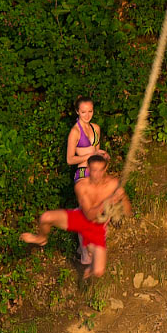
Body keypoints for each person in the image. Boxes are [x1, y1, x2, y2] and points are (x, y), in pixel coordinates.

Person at [20, 153, 131, 279]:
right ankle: (41, 238)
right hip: (81, 218)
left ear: (105, 169)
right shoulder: (81, 186)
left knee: (99, 271)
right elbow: (88, 215)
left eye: (101, 170)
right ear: (88, 169)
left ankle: (90, 266)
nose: (97, 174)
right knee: (45, 218)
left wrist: (123, 199)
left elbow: (127, 212)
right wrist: (109, 201)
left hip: (97, 227)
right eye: (94, 170)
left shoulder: (113, 184)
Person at [66, 97, 103, 267]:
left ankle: (83, 249)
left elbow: (96, 152)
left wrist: (102, 155)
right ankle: (84, 255)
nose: (87, 115)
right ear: (77, 112)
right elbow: (69, 159)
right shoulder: (75, 132)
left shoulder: (96, 128)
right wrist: (87, 156)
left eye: (90, 111)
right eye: (83, 112)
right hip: (82, 174)